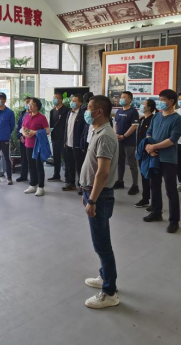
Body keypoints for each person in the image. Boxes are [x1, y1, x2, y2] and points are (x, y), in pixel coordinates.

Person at [80, 95, 120, 309]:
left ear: (99, 112)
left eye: (89, 108)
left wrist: (93, 200)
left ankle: (109, 292)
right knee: (101, 241)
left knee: (102, 245)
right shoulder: (97, 131)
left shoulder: (105, 136)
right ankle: (104, 275)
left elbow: (103, 173)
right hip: (93, 193)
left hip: (100, 196)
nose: (86, 111)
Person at [143, 89, 181, 233]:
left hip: (168, 159)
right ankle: (156, 212)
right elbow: (149, 132)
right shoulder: (156, 116)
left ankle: (174, 221)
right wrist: (149, 146)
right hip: (154, 157)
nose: (160, 102)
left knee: (171, 190)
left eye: (163, 100)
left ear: (171, 101)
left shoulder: (177, 119)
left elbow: (172, 140)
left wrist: (154, 146)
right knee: (154, 186)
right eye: (159, 99)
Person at [21, 97, 50, 197]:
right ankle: (32, 185)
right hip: (28, 144)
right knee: (31, 165)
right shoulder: (27, 116)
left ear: (37, 107)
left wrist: (35, 132)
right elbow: (23, 128)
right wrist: (24, 133)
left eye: (32, 104)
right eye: (29, 104)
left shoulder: (42, 117)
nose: (29, 106)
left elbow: (47, 131)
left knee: (38, 166)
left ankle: (41, 187)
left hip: (38, 145)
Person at [114, 91, 140, 195]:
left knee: (132, 163)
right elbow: (116, 123)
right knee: (120, 162)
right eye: (121, 97)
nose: (121, 99)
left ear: (129, 99)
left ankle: (135, 185)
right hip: (119, 140)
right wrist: (116, 134)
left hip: (129, 141)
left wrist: (124, 136)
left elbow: (134, 126)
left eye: (124, 97)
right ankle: (120, 181)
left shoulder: (133, 112)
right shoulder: (119, 111)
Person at [62, 94, 87, 193]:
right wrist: (65, 140)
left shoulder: (83, 114)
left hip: (77, 144)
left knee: (79, 165)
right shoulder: (69, 112)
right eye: (72, 100)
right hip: (68, 143)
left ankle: (81, 185)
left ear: (80, 103)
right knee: (69, 164)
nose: (72, 102)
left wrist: (82, 143)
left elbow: (84, 131)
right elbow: (66, 128)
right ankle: (71, 183)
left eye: (74, 101)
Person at [135, 99, 156, 210]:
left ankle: (154, 202)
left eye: (144, 104)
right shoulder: (142, 119)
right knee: (144, 176)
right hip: (141, 151)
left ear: (149, 107)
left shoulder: (153, 119)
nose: (141, 105)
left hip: (149, 152)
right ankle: (145, 198)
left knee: (151, 177)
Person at [49, 93, 70, 183]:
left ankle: (68, 177)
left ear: (61, 100)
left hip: (64, 138)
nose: (54, 100)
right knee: (56, 158)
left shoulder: (67, 110)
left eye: (56, 98)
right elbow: (51, 125)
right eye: (54, 98)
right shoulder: (52, 111)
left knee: (66, 159)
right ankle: (56, 175)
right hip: (55, 138)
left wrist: (66, 138)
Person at [15, 97, 32, 183]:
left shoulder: (33, 114)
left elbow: (32, 127)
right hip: (22, 139)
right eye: (25, 102)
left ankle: (33, 177)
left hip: (30, 140)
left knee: (31, 159)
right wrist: (20, 136)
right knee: (23, 158)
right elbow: (19, 126)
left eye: (28, 102)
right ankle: (23, 175)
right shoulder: (22, 113)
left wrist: (26, 136)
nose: (27, 104)